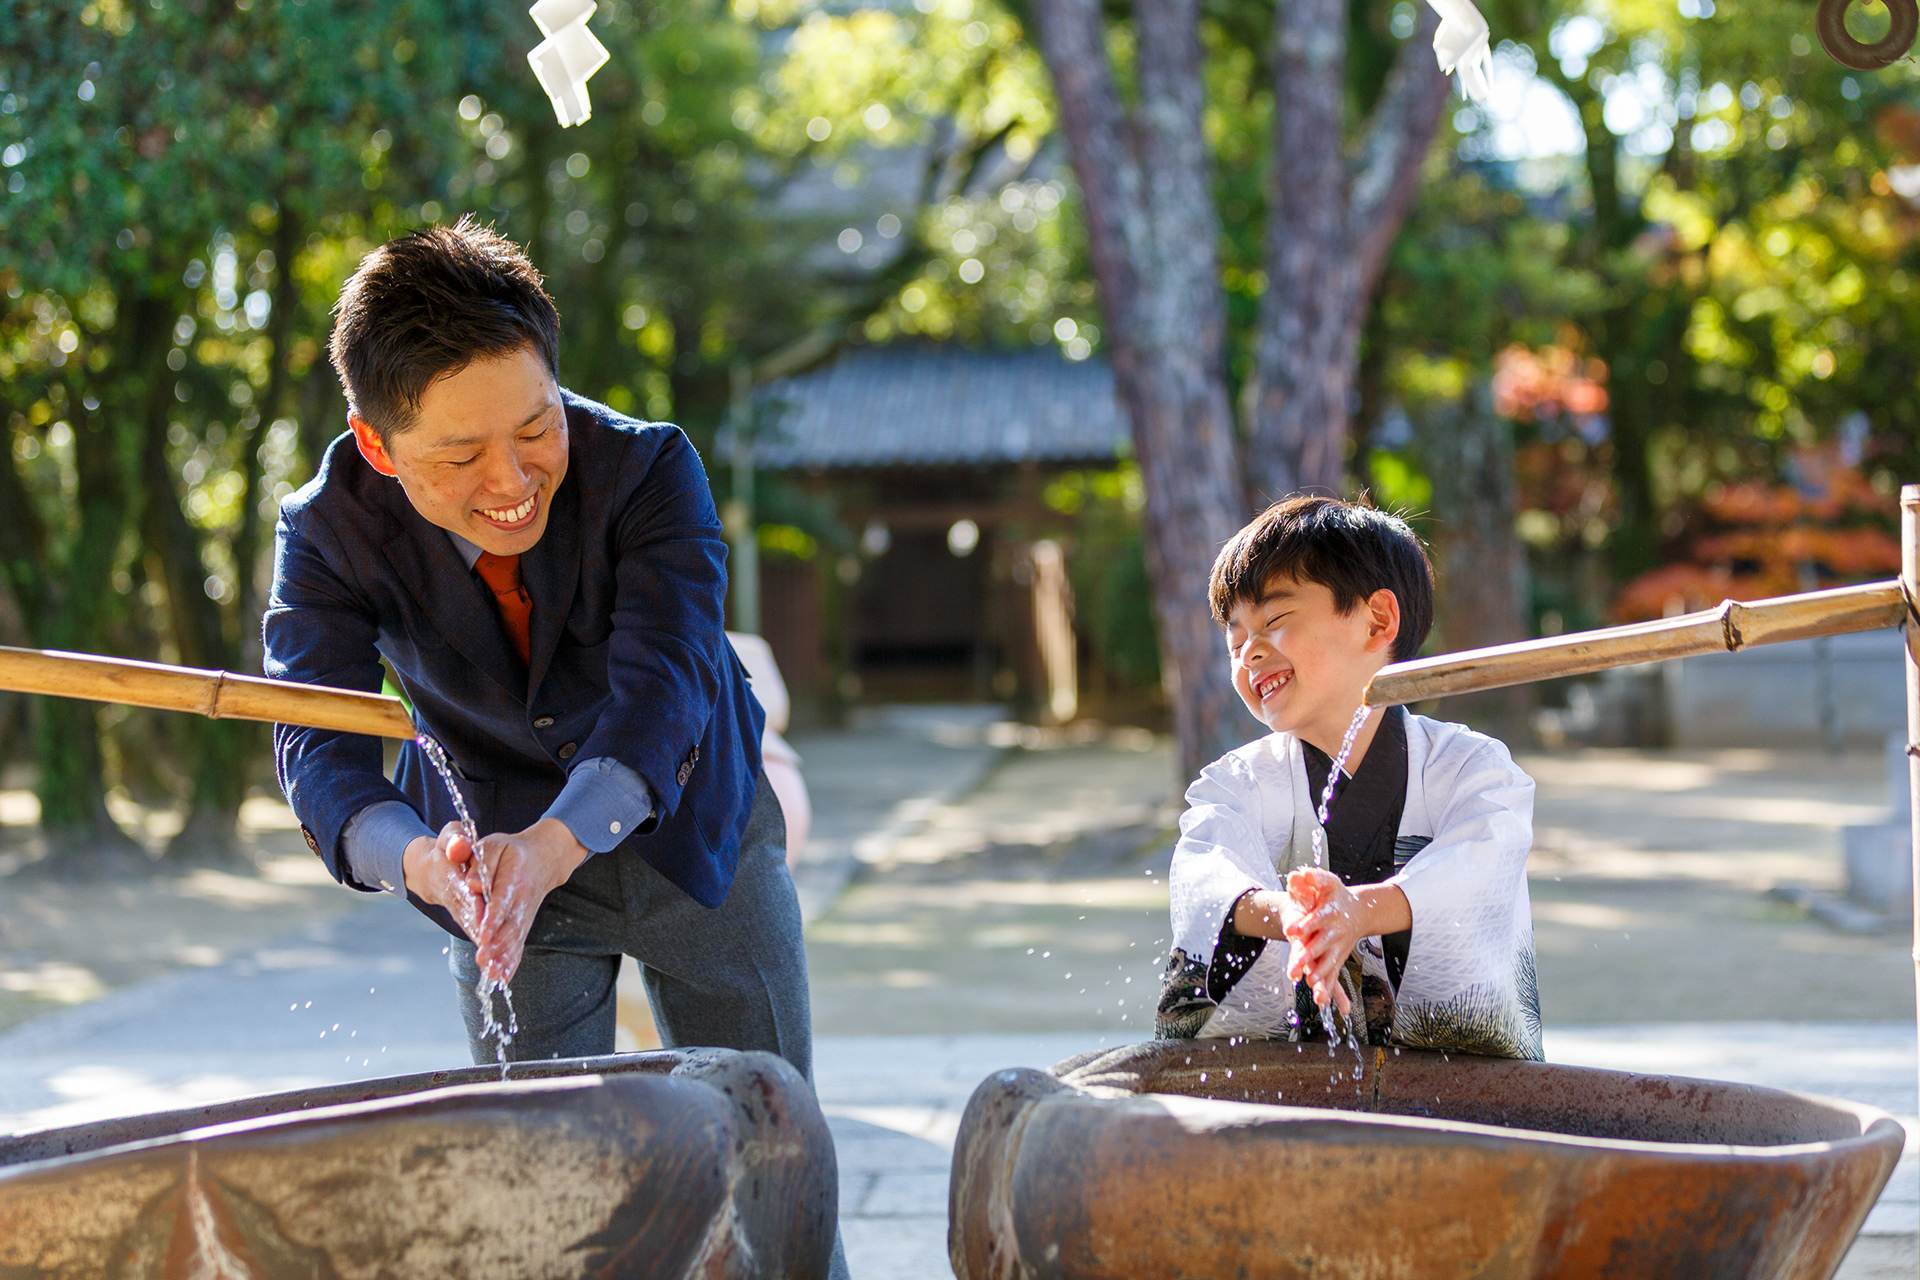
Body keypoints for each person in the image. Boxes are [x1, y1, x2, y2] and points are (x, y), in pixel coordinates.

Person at [263, 220, 851, 1275]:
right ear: (377, 446)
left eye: (535, 427)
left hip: (694, 830)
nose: (511, 478)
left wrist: (555, 841)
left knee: (774, 1150)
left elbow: (665, 689)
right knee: (544, 1180)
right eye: (459, 454)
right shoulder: (326, 531)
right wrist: (421, 859)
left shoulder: (652, 469)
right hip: (493, 870)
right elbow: (317, 734)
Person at [1155, 495, 1542, 1060]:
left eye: (1276, 620)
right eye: (1236, 641)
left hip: (1464, 1100)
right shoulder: (1234, 784)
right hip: (1275, 1098)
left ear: (1377, 620)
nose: (1250, 655)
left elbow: (1481, 866)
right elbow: (1205, 879)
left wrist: (1357, 912)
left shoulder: (1471, 768)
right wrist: (1293, 918)